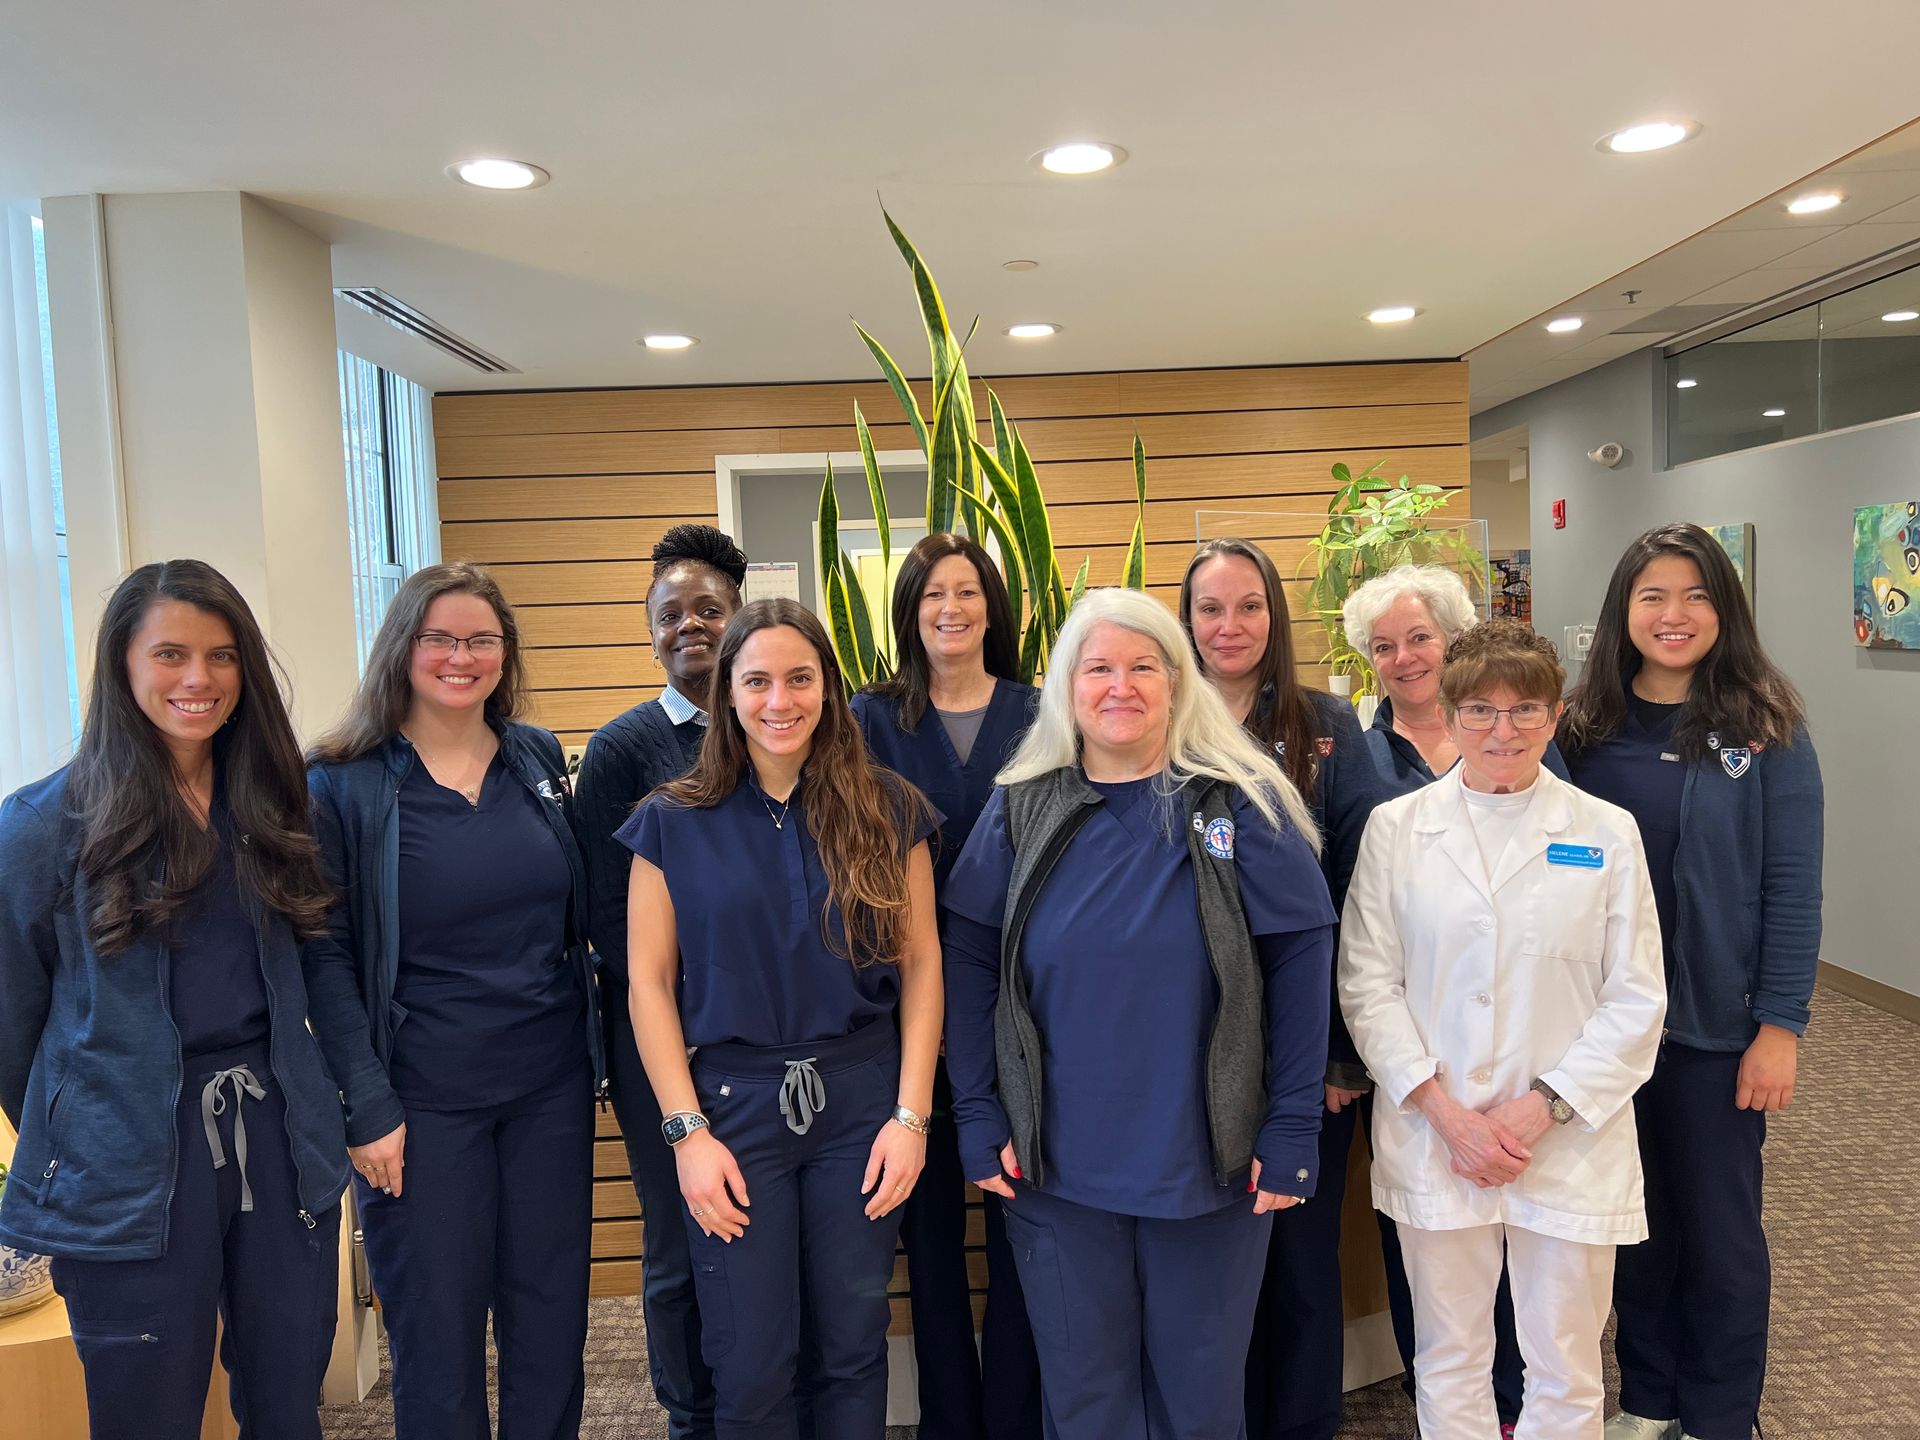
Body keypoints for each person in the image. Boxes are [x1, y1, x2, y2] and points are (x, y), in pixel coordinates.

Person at [942, 587, 1336, 1440]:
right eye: (1099, 668)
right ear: (1067, 687)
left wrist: (1293, 1125)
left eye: (1143, 666)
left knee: (1198, 1400)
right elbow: (968, 961)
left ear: (1177, 680)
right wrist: (976, 1110)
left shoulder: (1238, 805)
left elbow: (1302, 962)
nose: (1121, 686)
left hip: (1210, 1161)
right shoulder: (1019, 806)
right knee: (1085, 1398)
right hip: (1054, 1164)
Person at [0, 560, 346, 1440]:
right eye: (171, 654)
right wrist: (85, 1127)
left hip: (274, 1134)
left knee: (286, 1394)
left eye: (222, 656)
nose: (199, 679)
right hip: (125, 1161)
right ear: (122, 664)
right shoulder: (43, 827)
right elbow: (13, 1026)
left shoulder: (274, 804)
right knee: (146, 1409)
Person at [618, 598, 943, 1440]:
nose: (779, 701)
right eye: (756, 680)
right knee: (751, 1357)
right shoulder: (670, 820)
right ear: (727, 694)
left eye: (800, 678)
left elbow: (922, 966)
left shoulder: (889, 807)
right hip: (734, 1110)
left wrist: (911, 1116)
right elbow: (647, 985)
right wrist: (687, 1134)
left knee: (851, 1347)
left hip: (863, 1105)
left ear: (830, 689)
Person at [1339, 620, 1667, 1440]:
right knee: (1450, 1355)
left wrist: (1539, 1110)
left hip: (1564, 1140)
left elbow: (1637, 998)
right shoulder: (1396, 829)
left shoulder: (1605, 830)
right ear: (1448, 718)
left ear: (1555, 717)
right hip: (1434, 1134)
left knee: (1565, 1359)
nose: (1502, 730)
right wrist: (1449, 1117)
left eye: (1525, 710)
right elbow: (1367, 985)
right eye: (1480, 710)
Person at [303, 562, 603, 1440]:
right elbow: (324, 954)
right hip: (421, 1103)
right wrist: (365, 1104)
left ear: (506, 655)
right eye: (439, 638)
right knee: (436, 1332)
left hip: (548, 1088)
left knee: (550, 1321)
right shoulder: (344, 783)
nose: (460, 657)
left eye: (481, 639)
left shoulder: (537, 757)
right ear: (402, 648)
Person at [1558, 524, 1822, 1440]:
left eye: (1696, 596)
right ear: (1622, 610)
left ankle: (1718, 1414)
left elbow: (1791, 887)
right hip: (1601, 1034)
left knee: (1720, 1238)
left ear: (1725, 608)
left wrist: (1780, 1026)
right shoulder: (1580, 729)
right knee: (1635, 1226)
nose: (1674, 616)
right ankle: (1648, 1397)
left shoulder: (1765, 727)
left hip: (1715, 1031)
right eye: (1653, 597)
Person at [1342, 562, 1560, 1429]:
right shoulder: (1358, 761)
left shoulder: (1531, 747)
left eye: (1420, 637)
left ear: (1454, 638)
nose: (1403, 658)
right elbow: (1350, 925)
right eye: (1384, 646)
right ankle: (1445, 1396)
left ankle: (1513, 1403)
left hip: (1531, 1061)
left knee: (1535, 1260)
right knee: (1427, 1251)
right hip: (1410, 1057)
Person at [1177, 538, 1377, 1440]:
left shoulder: (1323, 724)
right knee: (1213, 1265)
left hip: (1303, 1046)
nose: (1229, 626)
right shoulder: (1154, 720)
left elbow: (1365, 899)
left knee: (1298, 1257)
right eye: (1210, 608)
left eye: (1248, 606)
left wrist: (1338, 1051)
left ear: (1275, 616)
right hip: (1190, 1041)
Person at [850, 533, 1042, 1440]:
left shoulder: (1045, 714)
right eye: (932, 595)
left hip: (1029, 1011)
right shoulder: (866, 719)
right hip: (908, 1015)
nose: (951, 609)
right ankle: (948, 1424)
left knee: (1022, 1228)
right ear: (911, 612)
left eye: (969, 592)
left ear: (993, 610)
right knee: (926, 1241)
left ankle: (1014, 1416)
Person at [577, 522, 750, 1440]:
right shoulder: (621, 750)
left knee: (758, 1233)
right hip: (662, 1041)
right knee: (681, 1240)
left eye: (709, 609)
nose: (691, 625)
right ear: (650, 633)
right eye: (670, 613)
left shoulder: (776, 725)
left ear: (739, 617)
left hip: (763, 1046)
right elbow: (607, 916)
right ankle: (691, 1415)